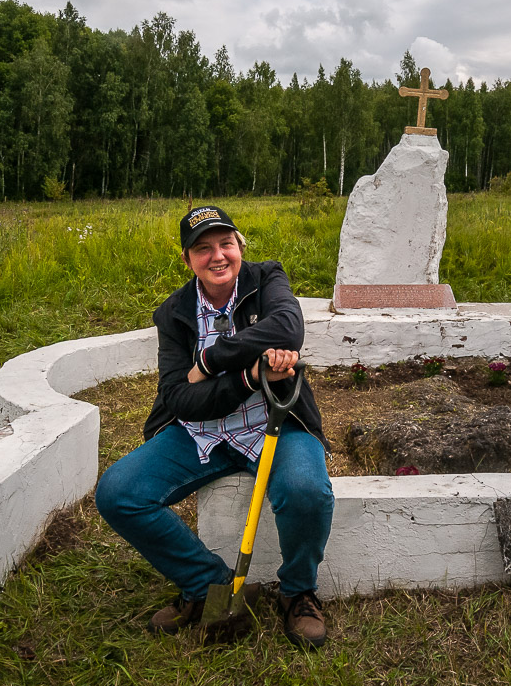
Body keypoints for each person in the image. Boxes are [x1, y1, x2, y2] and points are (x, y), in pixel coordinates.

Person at [95, 205, 335, 648]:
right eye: (203, 249)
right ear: (188, 260)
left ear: (239, 246)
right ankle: (207, 584)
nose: (218, 256)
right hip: (200, 433)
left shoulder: (266, 280)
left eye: (226, 243)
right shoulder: (174, 313)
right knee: (118, 493)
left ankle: (297, 591)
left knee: (307, 491)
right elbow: (180, 399)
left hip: (276, 422)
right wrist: (248, 374)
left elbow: (287, 327)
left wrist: (208, 360)